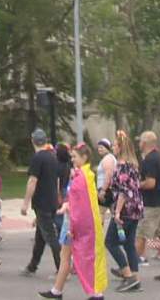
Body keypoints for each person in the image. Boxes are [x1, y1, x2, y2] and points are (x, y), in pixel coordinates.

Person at [40, 143, 107, 299]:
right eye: (72, 156)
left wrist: (72, 226)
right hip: (74, 222)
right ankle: (57, 290)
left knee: (82, 258)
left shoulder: (81, 178)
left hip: (73, 224)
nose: (72, 159)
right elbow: (80, 202)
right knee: (68, 256)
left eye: (75, 156)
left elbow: (80, 207)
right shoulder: (85, 175)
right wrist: (67, 206)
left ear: (84, 157)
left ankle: (94, 293)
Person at [133, 131, 160, 282]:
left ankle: (131, 272)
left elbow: (150, 183)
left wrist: (137, 185)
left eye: (140, 141)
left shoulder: (149, 160)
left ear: (145, 143)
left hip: (151, 204)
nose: (139, 143)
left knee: (141, 236)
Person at [103, 130, 143, 293]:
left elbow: (124, 191)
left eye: (114, 144)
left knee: (110, 242)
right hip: (136, 208)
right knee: (128, 244)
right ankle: (135, 276)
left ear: (120, 147)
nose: (112, 147)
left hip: (125, 210)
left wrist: (117, 212)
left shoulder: (122, 166)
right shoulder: (132, 164)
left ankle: (128, 276)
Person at [21, 128, 63, 277]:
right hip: (51, 201)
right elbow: (57, 179)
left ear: (33, 141)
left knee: (51, 237)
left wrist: (25, 203)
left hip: (42, 202)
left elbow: (32, 180)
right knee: (40, 236)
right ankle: (32, 266)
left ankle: (62, 268)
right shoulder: (52, 157)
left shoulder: (37, 158)